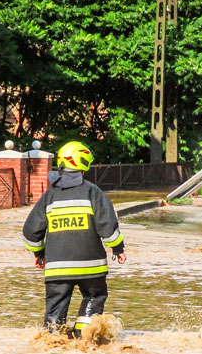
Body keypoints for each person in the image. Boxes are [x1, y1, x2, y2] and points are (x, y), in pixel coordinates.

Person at [22, 141, 126, 337]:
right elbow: (108, 228)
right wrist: (118, 248)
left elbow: (30, 232)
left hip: (57, 269)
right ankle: (83, 337)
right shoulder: (93, 192)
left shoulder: (50, 195)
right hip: (91, 267)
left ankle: (53, 341)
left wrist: (39, 253)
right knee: (95, 296)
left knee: (54, 312)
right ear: (84, 164)